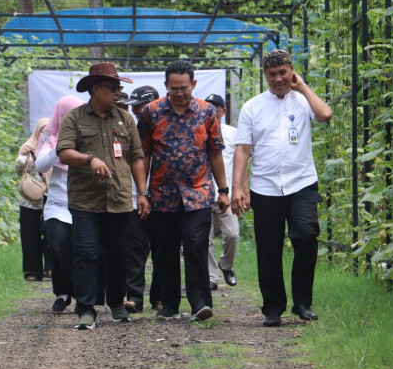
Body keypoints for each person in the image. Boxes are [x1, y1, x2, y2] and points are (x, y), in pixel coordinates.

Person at [231, 49, 333, 328]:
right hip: (265, 187)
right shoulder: (253, 106)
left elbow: (325, 114)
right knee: (269, 248)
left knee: (305, 234)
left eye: (283, 72)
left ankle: (302, 302)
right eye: (272, 74)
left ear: (292, 71)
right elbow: (242, 150)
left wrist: (302, 86)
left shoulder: (303, 100)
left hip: (301, 183)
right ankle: (273, 308)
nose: (278, 79)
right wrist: (238, 187)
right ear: (265, 75)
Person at [57, 62, 150, 330]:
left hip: (120, 200)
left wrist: (142, 193)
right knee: (86, 254)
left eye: (119, 87)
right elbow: (64, 152)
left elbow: (136, 156)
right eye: (113, 87)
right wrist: (90, 159)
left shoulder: (125, 119)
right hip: (85, 202)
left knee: (119, 254)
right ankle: (86, 309)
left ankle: (117, 304)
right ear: (95, 89)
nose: (118, 92)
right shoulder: (74, 118)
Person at [137, 60, 229, 322]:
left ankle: (200, 303)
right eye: (174, 88)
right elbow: (143, 152)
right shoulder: (151, 112)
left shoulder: (207, 112)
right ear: (166, 86)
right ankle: (169, 305)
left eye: (184, 88)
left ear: (194, 85)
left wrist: (223, 190)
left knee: (195, 243)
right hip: (161, 194)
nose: (179, 93)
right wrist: (142, 192)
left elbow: (215, 151)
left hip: (198, 191)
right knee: (164, 249)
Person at [36, 95, 86, 313]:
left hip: (84, 204)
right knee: (58, 247)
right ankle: (63, 293)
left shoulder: (88, 135)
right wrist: (62, 148)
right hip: (57, 205)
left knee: (83, 252)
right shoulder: (50, 137)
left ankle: (84, 296)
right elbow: (40, 164)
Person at [121, 86, 160, 313]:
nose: (136, 110)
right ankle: (134, 297)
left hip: (164, 199)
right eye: (134, 107)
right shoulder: (129, 131)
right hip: (136, 199)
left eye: (140, 106)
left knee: (163, 251)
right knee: (135, 250)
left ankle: (160, 297)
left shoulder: (168, 127)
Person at [204, 94, 240, 291]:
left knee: (232, 234)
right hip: (202, 193)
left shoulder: (233, 133)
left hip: (225, 194)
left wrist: (240, 191)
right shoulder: (197, 130)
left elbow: (241, 165)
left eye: (215, 107)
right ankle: (211, 276)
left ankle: (226, 265)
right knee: (205, 239)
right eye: (207, 106)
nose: (211, 110)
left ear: (223, 111)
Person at [15, 118, 50, 282]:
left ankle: (51, 267)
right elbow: (18, 171)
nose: (44, 134)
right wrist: (23, 158)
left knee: (53, 233)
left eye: (47, 130)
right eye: (41, 130)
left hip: (51, 197)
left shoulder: (56, 147)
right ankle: (33, 271)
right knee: (30, 234)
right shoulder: (27, 149)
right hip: (30, 199)